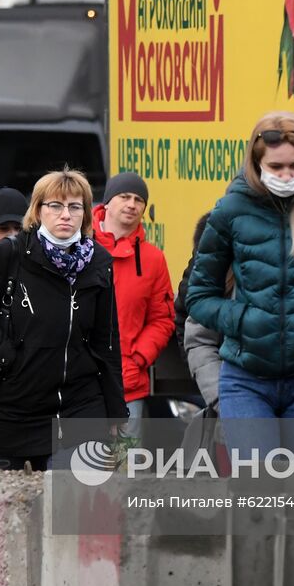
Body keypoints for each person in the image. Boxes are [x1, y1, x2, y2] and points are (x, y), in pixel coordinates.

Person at [186, 113, 294, 463]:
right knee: (258, 491)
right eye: (276, 166)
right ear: (256, 162)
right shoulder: (230, 211)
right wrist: (243, 318)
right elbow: (199, 297)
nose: (286, 175)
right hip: (245, 378)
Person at [0, 168, 126, 470]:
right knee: (19, 507)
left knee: (73, 501)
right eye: (55, 206)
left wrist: (115, 410)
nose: (66, 215)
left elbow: (106, 340)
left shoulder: (98, 261)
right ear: (38, 211)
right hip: (19, 403)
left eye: (75, 207)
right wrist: (7, 357)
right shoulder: (10, 253)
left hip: (81, 402)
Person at [92, 172, 174, 434]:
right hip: (80, 385)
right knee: (78, 468)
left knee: (125, 467)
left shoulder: (153, 259)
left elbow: (163, 318)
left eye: (139, 200)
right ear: (107, 203)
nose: (132, 204)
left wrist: (138, 357)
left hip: (128, 384)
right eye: (124, 197)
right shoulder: (79, 247)